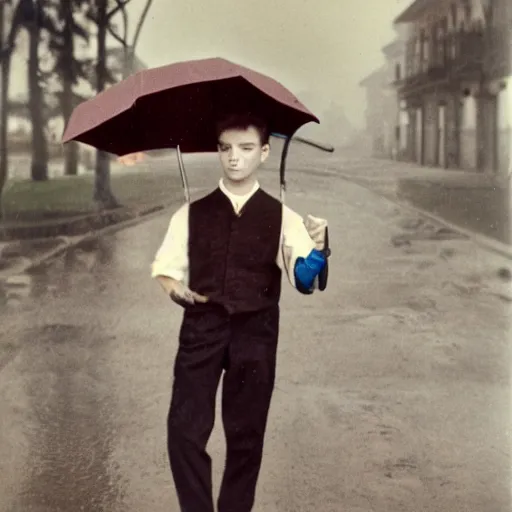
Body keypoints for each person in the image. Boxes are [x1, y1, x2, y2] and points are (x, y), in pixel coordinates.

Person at [151, 112, 329, 512]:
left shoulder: (283, 215)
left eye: (246, 149)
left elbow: (303, 280)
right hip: (202, 329)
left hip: (256, 332)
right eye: (226, 148)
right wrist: (174, 288)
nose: (234, 158)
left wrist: (318, 248)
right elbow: (165, 268)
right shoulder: (191, 213)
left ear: (264, 152)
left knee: (247, 435)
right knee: (183, 431)